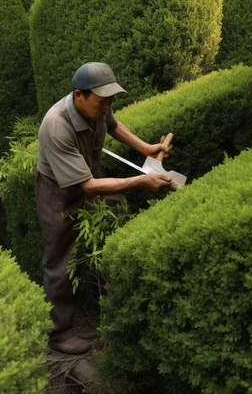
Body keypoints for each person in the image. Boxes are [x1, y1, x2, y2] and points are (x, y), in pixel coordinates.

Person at [35, 62, 173, 354]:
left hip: (88, 176)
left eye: (110, 100)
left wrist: (147, 149)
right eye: (102, 102)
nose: (107, 107)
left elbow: (113, 125)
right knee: (62, 259)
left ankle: (109, 286)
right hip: (57, 193)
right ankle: (57, 333)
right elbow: (84, 188)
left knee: (118, 209)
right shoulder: (56, 126)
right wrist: (141, 180)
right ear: (78, 96)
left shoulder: (100, 102)